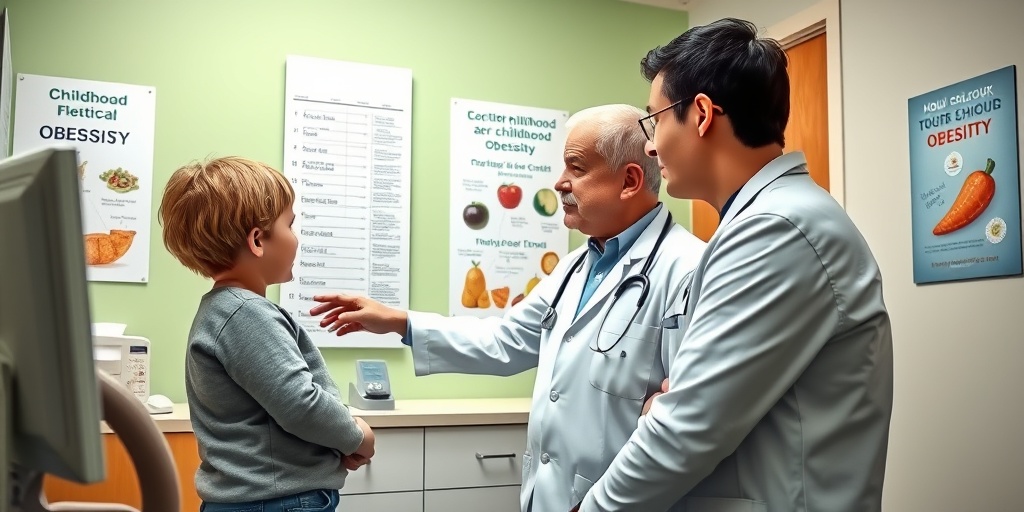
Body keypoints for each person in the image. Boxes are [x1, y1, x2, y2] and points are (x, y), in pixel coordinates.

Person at [309, 104, 707, 512]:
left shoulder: (689, 270)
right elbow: (506, 339)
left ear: (629, 180)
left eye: (576, 168)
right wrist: (398, 322)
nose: (560, 182)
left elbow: (683, 422)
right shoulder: (575, 268)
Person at [573, 18, 894, 512]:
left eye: (654, 120)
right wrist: (673, 403)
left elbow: (688, 426)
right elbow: (699, 403)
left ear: (700, 114)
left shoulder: (778, 229)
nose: (652, 145)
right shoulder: (757, 224)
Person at [158, 156, 376, 512]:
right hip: (280, 501)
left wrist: (335, 445)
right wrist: (357, 437)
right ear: (258, 240)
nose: (296, 237)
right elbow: (301, 405)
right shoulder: (246, 314)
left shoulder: (222, 311)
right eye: (290, 225)